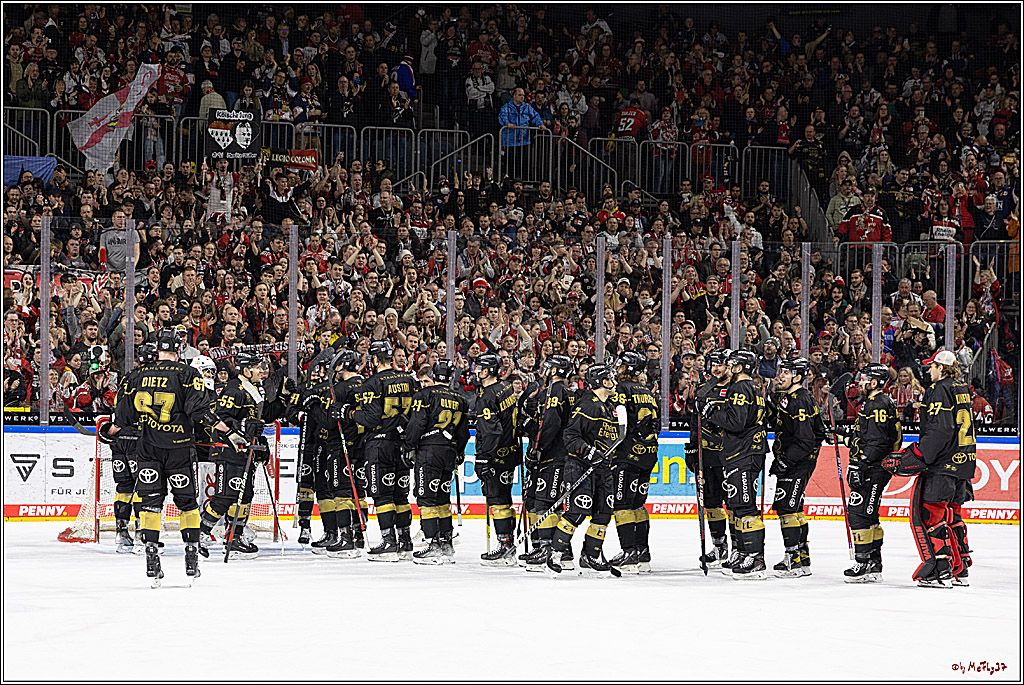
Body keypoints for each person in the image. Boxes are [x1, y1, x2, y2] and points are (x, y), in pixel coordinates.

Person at [107, 328, 217, 586]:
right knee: (188, 504)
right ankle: (191, 558)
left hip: (147, 450)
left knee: (150, 505)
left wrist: (106, 432)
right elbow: (200, 412)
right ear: (178, 348)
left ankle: (151, 558)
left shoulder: (135, 376)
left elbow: (122, 419)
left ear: (157, 349)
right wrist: (227, 431)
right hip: (179, 449)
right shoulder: (189, 373)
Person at [883, 350, 976, 588]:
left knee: (931, 515)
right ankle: (960, 567)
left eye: (932, 366)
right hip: (963, 462)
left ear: (942, 368)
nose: (928, 370)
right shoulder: (961, 387)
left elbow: (939, 430)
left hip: (942, 464)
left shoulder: (938, 390)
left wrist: (918, 457)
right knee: (952, 514)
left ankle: (939, 571)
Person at [529, 363, 620, 575]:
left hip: (603, 468)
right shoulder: (588, 405)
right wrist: (589, 453)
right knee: (576, 512)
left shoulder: (609, 406)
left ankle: (591, 555)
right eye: (611, 377)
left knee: (604, 514)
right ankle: (556, 553)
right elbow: (570, 437)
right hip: (580, 466)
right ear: (602, 381)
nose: (614, 381)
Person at [700, 349, 769, 579]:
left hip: (743, 452)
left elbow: (736, 422)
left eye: (731, 364)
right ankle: (741, 551)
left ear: (740, 367)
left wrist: (712, 413)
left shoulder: (740, 387)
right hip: (747, 451)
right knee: (738, 505)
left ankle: (755, 558)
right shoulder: (754, 388)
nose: (727, 368)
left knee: (745, 506)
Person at [197, 351, 271, 560]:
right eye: (257, 367)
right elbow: (221, 420)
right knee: (226, 496)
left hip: (245, 451)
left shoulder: (253, 390)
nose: (261, 370)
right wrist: (244, 426)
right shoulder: (233, 390)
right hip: (227, 449)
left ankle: (234, 537)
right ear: (245, 370)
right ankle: (200, 535)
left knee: (245, 495)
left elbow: (256, 421)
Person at [345, 340, 415, 561]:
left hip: (379, 443)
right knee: (400, 495)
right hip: (402, 443)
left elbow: (371, 418)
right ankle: (405, 541)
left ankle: (388, 542)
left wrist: (348, 413)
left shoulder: (371, 383)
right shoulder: (408, 379)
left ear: (374, 360)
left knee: (382, 494)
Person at [404, 359, 469, 564]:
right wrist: (459, 451)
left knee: (426, 498)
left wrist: (408, 446)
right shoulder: (460, 399)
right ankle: (446, 543)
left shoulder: (424, 395)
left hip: (429, 451)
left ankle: (432, 544)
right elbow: (464, 433)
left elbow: (417, 423)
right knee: (442, 498)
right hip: (448, 452)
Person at [841, 363, 902, 583]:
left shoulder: (877, 405)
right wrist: (847, 437)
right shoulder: (877, 402)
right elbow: (870, 436)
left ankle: (863, 562)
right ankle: (874, 563)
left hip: (873, 468)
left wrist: (859, 463)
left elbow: (877, 442)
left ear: (875, 382)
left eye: (865, 378)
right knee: (870, 514)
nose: (860, 382)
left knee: (859, 512)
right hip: (875, 466)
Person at [768, 358, 825, 577]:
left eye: (786, 372)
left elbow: (806, 439)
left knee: (786, 507)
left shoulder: (800, 400)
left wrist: (785, 461)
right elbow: (818, 431)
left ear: (798, 377)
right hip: (797, 461)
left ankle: (794, 560)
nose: (780, 375)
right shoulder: (790, 397)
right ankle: (802, 557)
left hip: (797, 462)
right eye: (781, 371)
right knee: (795, 507)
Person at [308, 349, 368, 557]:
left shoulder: (339, 388)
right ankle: (358, 535)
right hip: (363, 446)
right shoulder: (367, 385)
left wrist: (313, 405)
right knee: (357, 491)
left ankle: (346, 538)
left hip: (341, 446)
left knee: (341, 491)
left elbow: (327, 420)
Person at [519, 354, 576, 570]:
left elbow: (550, 424)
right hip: (565, 455)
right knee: (556, 504)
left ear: (554, 371)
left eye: (548, 367)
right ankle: (563, 550)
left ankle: (547, 550)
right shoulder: (569, 392)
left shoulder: (555, 391)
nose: (544, 370)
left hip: (553, 456)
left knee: (545, 503)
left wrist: (537, 449)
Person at [609, 351, 659, 573]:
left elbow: (616, 420)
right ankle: (642, 551)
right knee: (638, 503)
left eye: (620, 366)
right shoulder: (647, 392)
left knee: (622, 505)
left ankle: (628, 552)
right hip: (648, 454)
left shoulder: (622, 390)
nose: (617, 369)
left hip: (627, 454)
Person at [686, 349, 733, 568]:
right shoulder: (703, 390)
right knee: (711, 504)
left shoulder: (736, 389)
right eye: (713, 363)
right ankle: (719, 545)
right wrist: (692, 448)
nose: (716, 368)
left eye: (720, 364)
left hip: (730, 455)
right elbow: (695, 421)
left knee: (733, 504)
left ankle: (740, 549)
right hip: (707, 455)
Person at [473, 352, 522, 565]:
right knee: (505, 498)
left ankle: (504, 547)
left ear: (486, 371)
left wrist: (484, 458)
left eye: (478, 368)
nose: (475, 371)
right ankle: (507, 543)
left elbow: (491, 431)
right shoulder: (505, 387)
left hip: (496, 456)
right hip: (510, 453)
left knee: (497, 501)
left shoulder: (487, 396)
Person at [109, 343, 157, 553]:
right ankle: (141, 535)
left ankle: (121, 535)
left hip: (119, 439)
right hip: (140, 438)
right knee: (143, 487)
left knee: (124, 487)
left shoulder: (127, 378)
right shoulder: (155, 380)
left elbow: (120, 408)